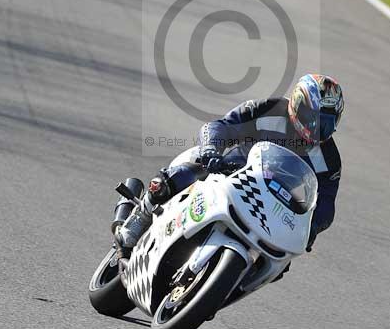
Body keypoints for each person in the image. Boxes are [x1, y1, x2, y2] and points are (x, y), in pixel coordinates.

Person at [113, 74, 344, 257]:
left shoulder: (330, 159)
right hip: (230, 170)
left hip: (275, 205)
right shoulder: (268, 108)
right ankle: (140, 216)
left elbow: (325, 204)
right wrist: (211, 149)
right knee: (181, 175)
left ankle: (235, 282)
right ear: (297, 104)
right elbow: (220, 126)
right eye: (313, 118)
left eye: (326, 123)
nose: (317, 129)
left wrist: (311, 229)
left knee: (283, 261)